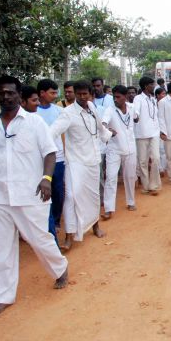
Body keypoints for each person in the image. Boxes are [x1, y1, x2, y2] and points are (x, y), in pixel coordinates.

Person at [0, 75, 69, 317]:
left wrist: (46, 179)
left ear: (19, 95)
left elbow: (50, 154)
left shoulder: (34, 123)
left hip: (30, 193)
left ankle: (60, 268)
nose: (6, 97)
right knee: (1, 248)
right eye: (1, 93)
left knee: (39, 239)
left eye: (10, 93)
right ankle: (3, 296)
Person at [51, 80, 112, 250]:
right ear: (74, 94)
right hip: (75, 162)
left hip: (93, 160)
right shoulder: (67, 113)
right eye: (79, 94)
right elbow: (52, 133)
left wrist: (108, 135)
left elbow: (100, 128)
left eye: (85, 94)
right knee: (71, 197)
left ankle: (95, 226)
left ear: (90, 94)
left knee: (93, 197)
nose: (82, 97)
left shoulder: (92, 107)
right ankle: (69, 235)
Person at [36, 79, 67, 241]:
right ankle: (44, 224)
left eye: (56, 93)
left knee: (58, 191)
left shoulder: (58, 110)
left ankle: (55, 220)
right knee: (43, 192)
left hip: (59, 157)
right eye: (52, 93)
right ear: (42, 93)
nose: (55, 96)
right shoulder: (32, 113)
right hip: (40, 160)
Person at [101, 85, 138, 219]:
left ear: (125, 96)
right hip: (114, 149)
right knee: (111, 177)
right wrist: (108, 131)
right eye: (114, 97)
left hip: (130, 148)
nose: (115, 99)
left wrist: (135, 119)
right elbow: (103, 123)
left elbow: (135, 117)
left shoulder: (131, 107)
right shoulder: (110, 110)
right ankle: (109, 209)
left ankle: (131, 201)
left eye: (118, 97)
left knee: (130, 176)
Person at [133, 76, 162, 195]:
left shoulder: (153, 99)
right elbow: (136, 112)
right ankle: (146, 186)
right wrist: (135, 117)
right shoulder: (138, 98)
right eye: (152, 85)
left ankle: (154, 185)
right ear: (146, 86)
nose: (154, 87)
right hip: (141, 133)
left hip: (154, 132)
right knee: (143, 161)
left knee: (156, 158)